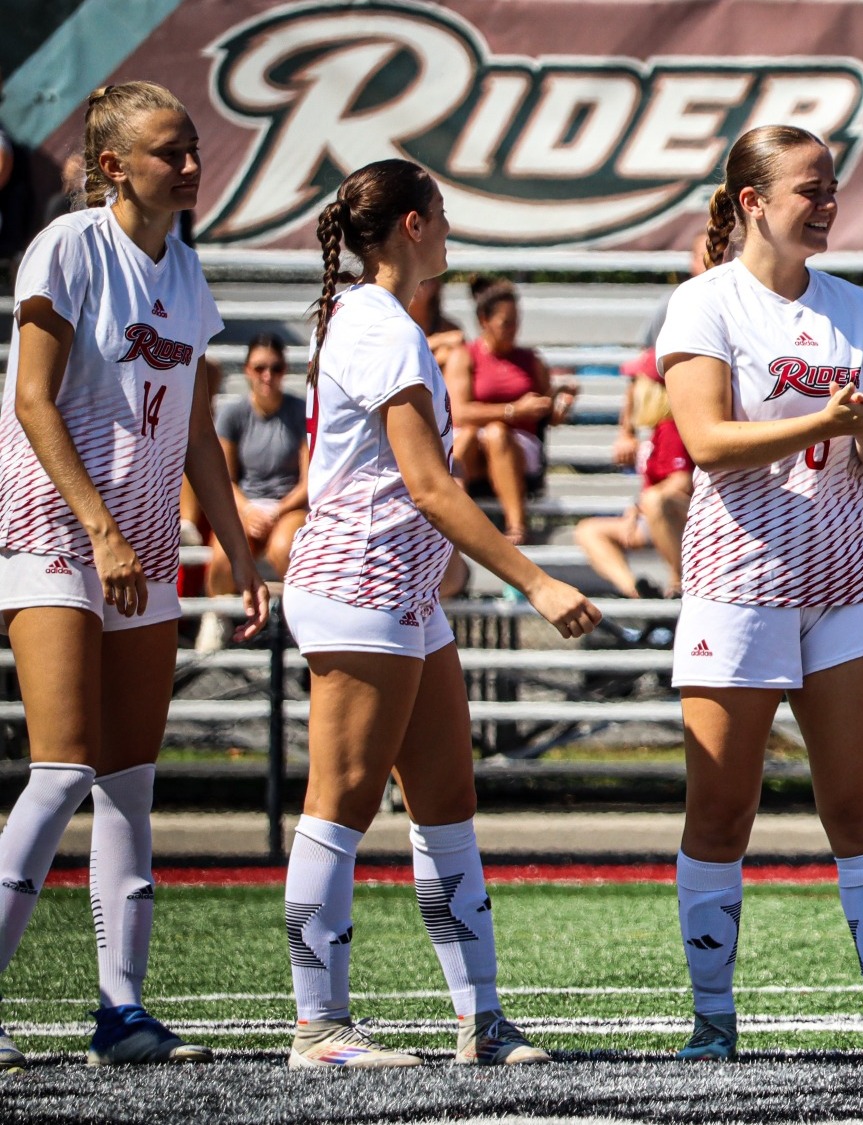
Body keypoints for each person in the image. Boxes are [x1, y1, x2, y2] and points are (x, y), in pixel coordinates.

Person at [280, 157, 601, 1068]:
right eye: (443, 214)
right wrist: (532, 581)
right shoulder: (379, 325)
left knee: (447, 805)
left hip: (402, 590)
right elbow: (427, 484)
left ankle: (481, 1019)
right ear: (412, 227)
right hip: (360, 581)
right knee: (339, 806)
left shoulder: (384, 321)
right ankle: (318, 1026)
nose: (452, 228)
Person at [0, 81, 268, 1066]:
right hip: (57, 534)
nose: (191, 165)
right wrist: (102, 529)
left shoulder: (188, 277)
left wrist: (237, 552)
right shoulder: (67, 247)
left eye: (193, 148)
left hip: (147, 545)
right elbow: (34, 402)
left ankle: (123, 1013)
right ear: (113, 166)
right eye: (171, 152)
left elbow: (198, 432)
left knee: (127, 785)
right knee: (63, 766)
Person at [656, 123, 863, 1066]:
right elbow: (705, 440)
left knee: (861, 809)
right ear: (753, 203)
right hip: (738, 584)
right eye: (811, 188)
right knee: (721, 812)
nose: (829, 201)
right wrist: (826, 415)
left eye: (833, 186)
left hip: (844, 584)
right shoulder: (705, 304)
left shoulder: (854, 305)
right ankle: (713, 1018)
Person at [194, 334, 308, 651]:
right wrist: (248, 511)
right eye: (260, 368)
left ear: (285, 370)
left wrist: (277, 511)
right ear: (247, 370)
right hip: (247, 504)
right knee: (221, 557)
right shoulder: (233, 415)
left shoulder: (300, 412)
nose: (267, 376)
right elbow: (225, 479)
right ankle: (217, 617)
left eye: (275, 368)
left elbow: (308, 482)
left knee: (286, 548)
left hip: (288, 506)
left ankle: (298, 623)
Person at [446, 276, 575, 543]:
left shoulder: (530, 360)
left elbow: (547, 410)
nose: (514, 328)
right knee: (471, 435)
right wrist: (512, 410)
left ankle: (516, 526)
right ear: (485, 321)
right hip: (474, 444)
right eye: (506, 322)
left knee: (496, 434)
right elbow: (458, 413)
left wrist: (561, 402)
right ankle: (449, 522)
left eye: (517, 320)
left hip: (516, 445)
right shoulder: (465, 356)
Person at [574, 349, 693, 599]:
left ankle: (682, 582)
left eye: (636, 381)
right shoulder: (656, 428)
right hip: (656, 519)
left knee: (654, 501)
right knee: (588, 531)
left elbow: (682, 481)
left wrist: (639, 508)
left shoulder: (672, 426)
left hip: (679, 520)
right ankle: (638, 591)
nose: (631, 390)